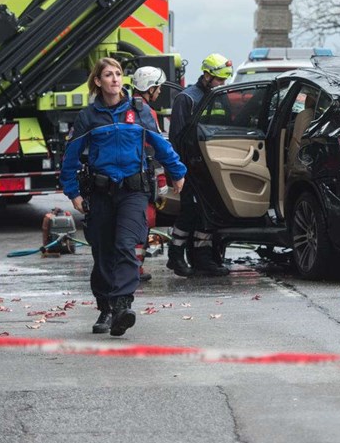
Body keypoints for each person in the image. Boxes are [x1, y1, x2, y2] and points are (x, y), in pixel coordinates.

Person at [60, 57, 186, 336]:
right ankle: (105, 307)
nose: (115, 79)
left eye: (118, 74)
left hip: (133, 191)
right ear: (98, 81)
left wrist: (177, 172)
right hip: (101, 192)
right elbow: (70, 157)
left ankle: (122, 305)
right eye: (108, 74)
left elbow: (161, 145)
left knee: (127, 245)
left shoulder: (139, 111)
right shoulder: (88, 117)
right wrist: (73, 193)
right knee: (103, 251)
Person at [167, 53, 233, 277]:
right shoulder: (187, 99)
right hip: (189, 168)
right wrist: (178, 171)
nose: (222, 85)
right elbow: (176, 138)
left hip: (212, 167)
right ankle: (175, 256)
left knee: (209, 213)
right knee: (189, 212)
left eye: (224, 81)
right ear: (206, 75)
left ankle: (202, 258)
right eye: (219, 80)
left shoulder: (220, 97)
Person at [130, 66, 169, 282]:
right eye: (158, 87)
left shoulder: (125, 106)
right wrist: (162, 182)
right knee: (143, 221)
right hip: (143, 176)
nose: (160, 91)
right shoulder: (147, 112)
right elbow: (155, 149)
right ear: (150, 88)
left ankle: (132, 267)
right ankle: (134, 268)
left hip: (127, 176)